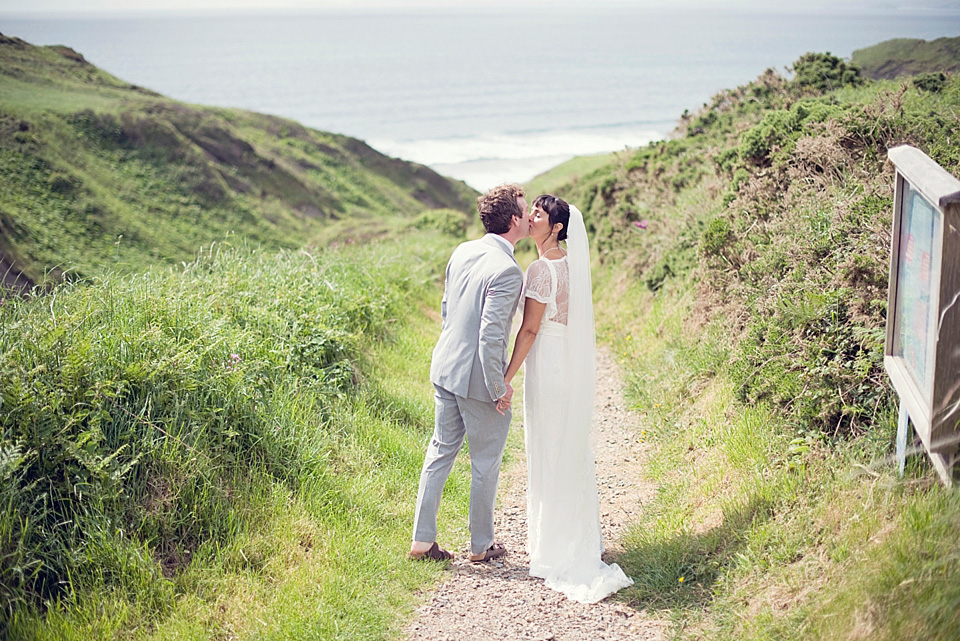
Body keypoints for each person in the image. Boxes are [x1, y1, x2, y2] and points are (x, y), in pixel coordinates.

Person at [503, 194, 633, 603]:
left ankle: (556, 545)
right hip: (565, 363)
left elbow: (529, 331)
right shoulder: (573, 268)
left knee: (548, 446)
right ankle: (574, 535)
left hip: (548, 365)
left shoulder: (542, 269)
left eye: (538, 214)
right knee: (567, 446)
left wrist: (505, 376)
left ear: (556, 227)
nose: (530, 217)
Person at [409, 183, 531, 563]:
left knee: (439, 453)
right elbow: (491, 336)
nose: (529, 218)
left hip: (445, 367)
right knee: (485, 463)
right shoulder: (508, 271)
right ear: (514, 220)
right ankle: (481, 546)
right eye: (525, 213)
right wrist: (500, 388)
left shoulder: (464, 250)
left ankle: (421, 542)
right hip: (478, 381)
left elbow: (447, 309)